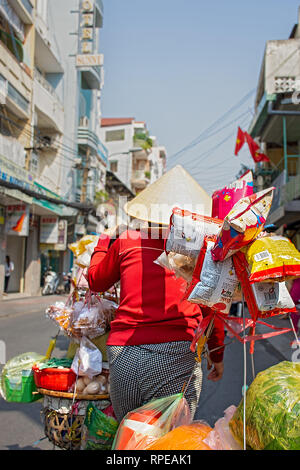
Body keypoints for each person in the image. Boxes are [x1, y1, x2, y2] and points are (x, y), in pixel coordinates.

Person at [88, 165, 225, 423]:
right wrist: (216, 355)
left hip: (124, 356)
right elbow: (210, 308)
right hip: (177, 355)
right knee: (170, 438)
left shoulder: (127, 240)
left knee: (131, 434)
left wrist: (104, 241)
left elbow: (95, 281)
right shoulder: (199, 251)